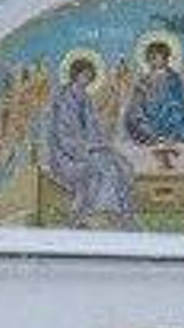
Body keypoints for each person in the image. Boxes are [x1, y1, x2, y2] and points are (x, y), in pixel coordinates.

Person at [45, 54, 136, 227]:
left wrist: (101, 144)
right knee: (104, 169)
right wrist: (88, 147)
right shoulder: (63, 99)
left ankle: (117, 214)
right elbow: (63, 136)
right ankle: (99, 213)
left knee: (122, 165)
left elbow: (94, 128)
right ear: (75, 74)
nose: (87, 79)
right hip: (66, 156)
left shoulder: (85, 98)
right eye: (84, 75)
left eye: (90, 76)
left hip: (88, 150)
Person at [123, 37, 184, 148]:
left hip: (174, 120)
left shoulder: (175, 79)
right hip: (150, 120)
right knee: (132, 122)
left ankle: (170, 137)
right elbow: (136, 105)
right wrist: (139, 117)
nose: (156, 61)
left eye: (160, 57)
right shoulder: (143, 82)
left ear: (167, 59)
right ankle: (153, 136)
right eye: (152, 58)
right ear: (147, 60)